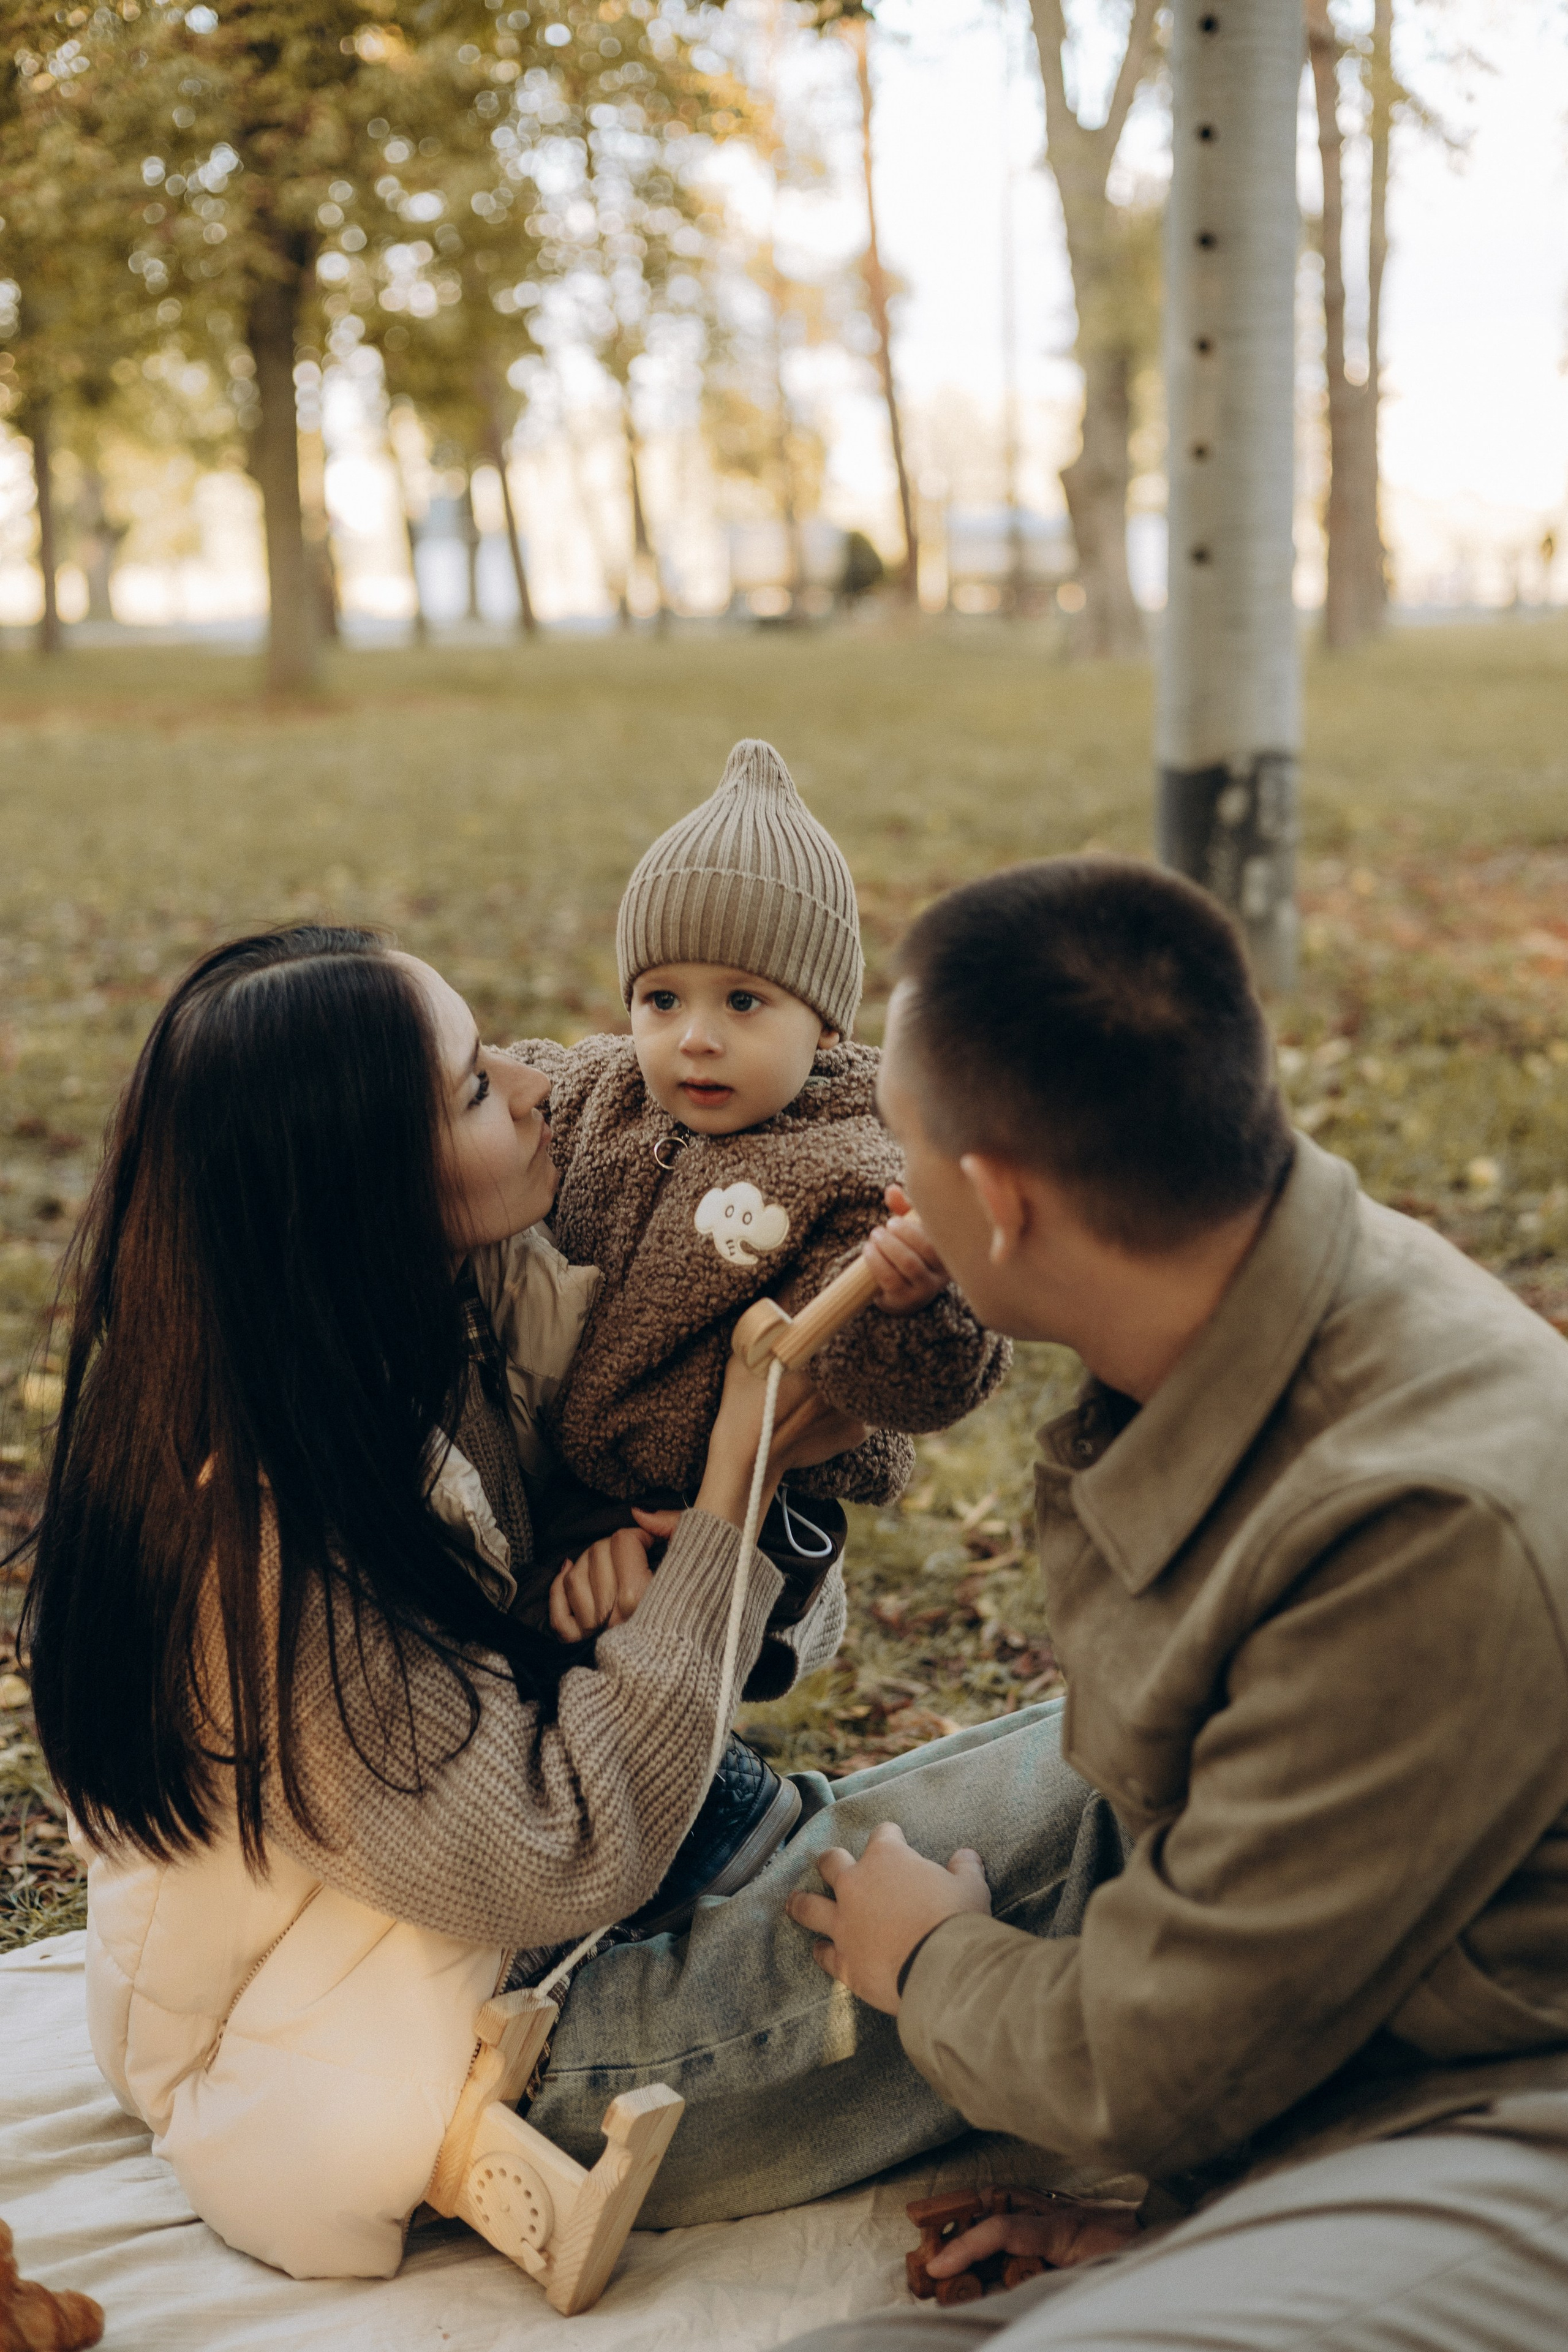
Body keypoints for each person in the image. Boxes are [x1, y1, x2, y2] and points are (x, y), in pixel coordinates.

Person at [17, 924, 1091, 2277]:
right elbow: (563, 1848)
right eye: (475, 1086)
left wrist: (730, 1504)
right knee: (1120, 1813)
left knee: (1130, 1746)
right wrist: (726, 1493)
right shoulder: (265, 1546)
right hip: (479, 2054)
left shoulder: (397, 1337)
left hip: (582, 1900)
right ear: (353, 1188)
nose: (536, 1087)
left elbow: (691, 1650)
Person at [778, 857, 1568, 2352]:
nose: (892, 1179)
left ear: (998, 1202)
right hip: (1353, 2088)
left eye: (904, 1140)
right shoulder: (1244, 1282)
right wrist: (1191, 2212)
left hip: (1504, 2128)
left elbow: (1161, 2057)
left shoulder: (1415, 1527)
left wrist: (930, 1959)